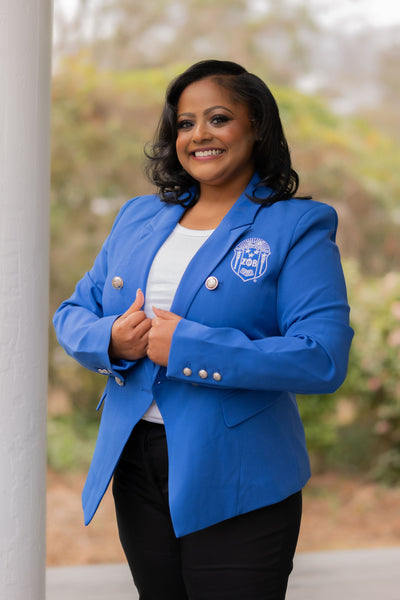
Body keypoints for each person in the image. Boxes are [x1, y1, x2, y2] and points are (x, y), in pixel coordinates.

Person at [53, 59, 353, 600]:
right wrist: (110, 340)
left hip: (239, 472)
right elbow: (73, 312)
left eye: (218, 118)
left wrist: (188, 346)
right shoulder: (138, 216)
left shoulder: (297, 226)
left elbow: (322, 357)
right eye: (185, 123)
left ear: (256, 125)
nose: (199, 136)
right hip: (137, 463)